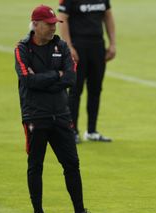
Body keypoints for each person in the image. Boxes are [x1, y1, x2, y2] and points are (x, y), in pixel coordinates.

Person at [14, 4, 102, 213]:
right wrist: (56, 75)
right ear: (35, 24)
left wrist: (45, 79)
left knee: (72, 164)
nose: (53, 28)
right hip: (35, 116)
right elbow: (27, 80)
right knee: (36, 165)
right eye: (49, 24)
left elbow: (70, 79)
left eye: (55, 24)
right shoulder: (22, 48)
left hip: (61, 115)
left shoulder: (61, 46)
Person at [58, 0, 116, 143]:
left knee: (95, 89)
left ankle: (91, 131)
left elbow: (108, 16)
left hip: (97, 46)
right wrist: (69, 47)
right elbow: (62, 19)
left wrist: (113, 44)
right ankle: (72, 131)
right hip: (78, 46)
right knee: (75, 90)